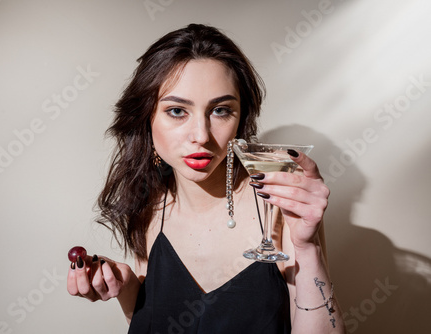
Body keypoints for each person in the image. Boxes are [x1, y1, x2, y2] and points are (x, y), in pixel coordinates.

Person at [67, 23, 345, 333]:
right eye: (176, 111)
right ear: (147, 117)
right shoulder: (147, 205)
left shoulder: (276, 199)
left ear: (240, 121)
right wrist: (128, 288)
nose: (201, 136)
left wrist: (308, 250)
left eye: (221, 110)